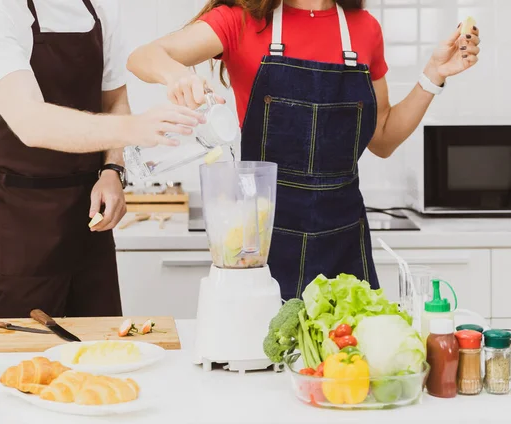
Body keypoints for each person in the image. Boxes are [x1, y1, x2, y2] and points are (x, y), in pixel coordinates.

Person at [127, 0, 480, 299]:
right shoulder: (242, 20)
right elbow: (144, 57)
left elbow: (384, 138)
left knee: (348, 372)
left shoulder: (364, 28)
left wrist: (433, 74)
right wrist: (177, 77)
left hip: (343, 237)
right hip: (262, 238)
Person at [0, 0, 204, 319]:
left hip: (86, 222)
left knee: (99, 352)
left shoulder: (100, 8)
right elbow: (31, 122)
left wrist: (113, 170)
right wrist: (135, 128)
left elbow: (114, 100)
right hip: (12, 223)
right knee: (10, 356)